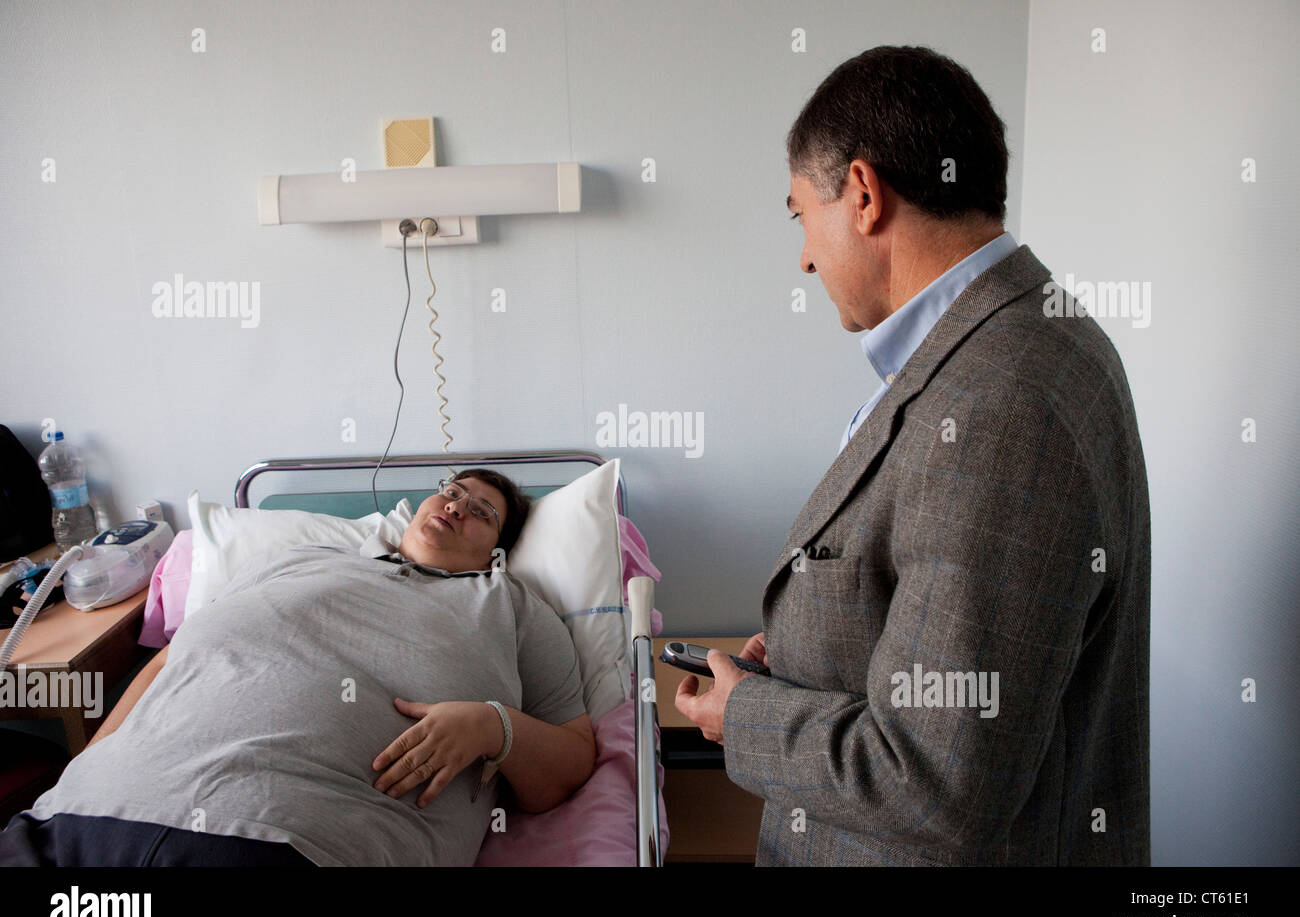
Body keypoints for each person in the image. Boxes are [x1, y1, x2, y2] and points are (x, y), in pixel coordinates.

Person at [675, 46, 1150, 866]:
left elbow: (938, 781)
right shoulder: (1026, 336)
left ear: (862, 195)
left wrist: (746, 716)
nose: (805, 258)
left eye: (799, 216)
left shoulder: (1002, 403)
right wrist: (805, 648)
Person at [0, 469, 595, 866]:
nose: (456, 506)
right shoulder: (294, 559)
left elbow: (570, 763)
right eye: (452, 491)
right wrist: (82, 770)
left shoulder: (511, 607)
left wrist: (494, 727)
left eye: (482, 511)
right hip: (79, 820)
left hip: (294, 842)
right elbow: (168, 666)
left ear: (496, 549)